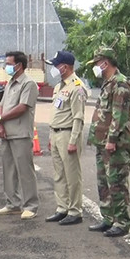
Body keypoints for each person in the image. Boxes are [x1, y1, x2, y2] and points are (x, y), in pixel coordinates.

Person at [85, 47, 130, 238]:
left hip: (115, 144)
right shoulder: (108, 83)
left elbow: (119, 115)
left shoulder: (120, 83)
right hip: (101, 142)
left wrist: (112, 140)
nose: (96, 67)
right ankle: (108, 218)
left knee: (117, 183)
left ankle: (121, 221)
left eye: (97, 63)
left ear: (106, 62)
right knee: (103, 182)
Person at [43, 51, 87, 226]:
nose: (54, 69)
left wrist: (73, 140)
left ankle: (75, 211)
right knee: (59, 175)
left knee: (72, 175)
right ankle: (62, 208)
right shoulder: (59, 87)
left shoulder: (77, 87)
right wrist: (50, 135)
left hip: (68, 133)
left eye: (56, 65)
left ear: (65, 67)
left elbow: (78, 117)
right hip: (56, 134)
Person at [0, 51, 40, 220]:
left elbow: (22, 107)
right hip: (6, 133)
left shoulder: (29, 84)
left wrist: (0, 119)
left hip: (20, 133)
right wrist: (0, 124)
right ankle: (12, 203)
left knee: (25, 171)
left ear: (19, 65)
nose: (6, 66)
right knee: (8, 170)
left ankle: (31, 206)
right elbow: (2, 105)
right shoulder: (10, 83)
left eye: (8, 63)